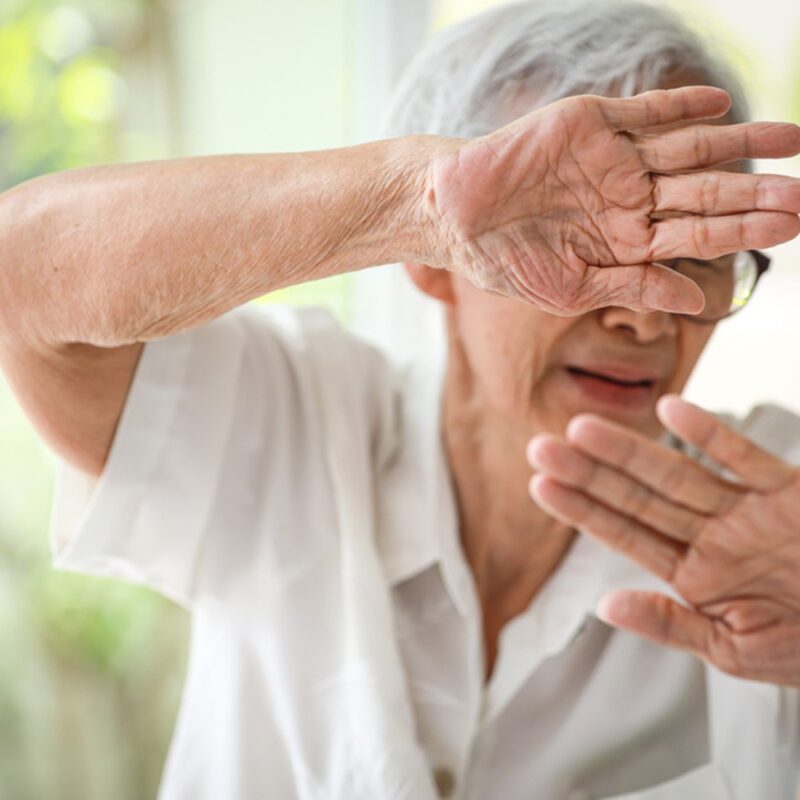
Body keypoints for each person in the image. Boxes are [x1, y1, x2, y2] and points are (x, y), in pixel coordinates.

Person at [1, 0, 800, 798]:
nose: (643, 314)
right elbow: (21, 276)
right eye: (583, 242)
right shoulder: (290, 422)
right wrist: (411, 200)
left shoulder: (775, 515)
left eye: (697, 253)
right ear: (435, 261)